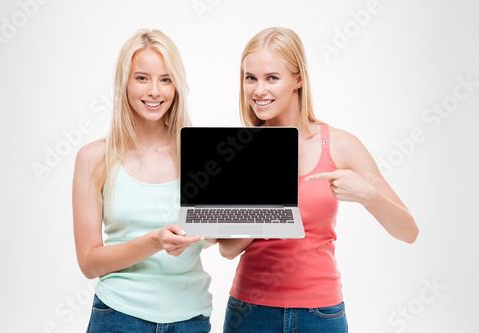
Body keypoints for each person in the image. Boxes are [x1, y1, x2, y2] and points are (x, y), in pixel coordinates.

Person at [219, 27, 419, 333]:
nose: (259, 90)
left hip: (320, 315)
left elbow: (408, 231)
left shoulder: (340, 145)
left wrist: (368, 195)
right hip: (251, 311)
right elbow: (228, 249)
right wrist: (265, 209)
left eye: (272, 77)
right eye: (251, 78)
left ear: (298, 79)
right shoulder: (239, 148)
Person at [72, 29, 213, 333]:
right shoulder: (94, 158)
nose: (154, 91)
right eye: (142, 78)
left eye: (166, 79)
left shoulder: (203, 154)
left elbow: (214, 239)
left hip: (191, 319)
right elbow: (89, 263)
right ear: (124, 83)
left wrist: (232, 225)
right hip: (119, 317)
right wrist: (154, 241)